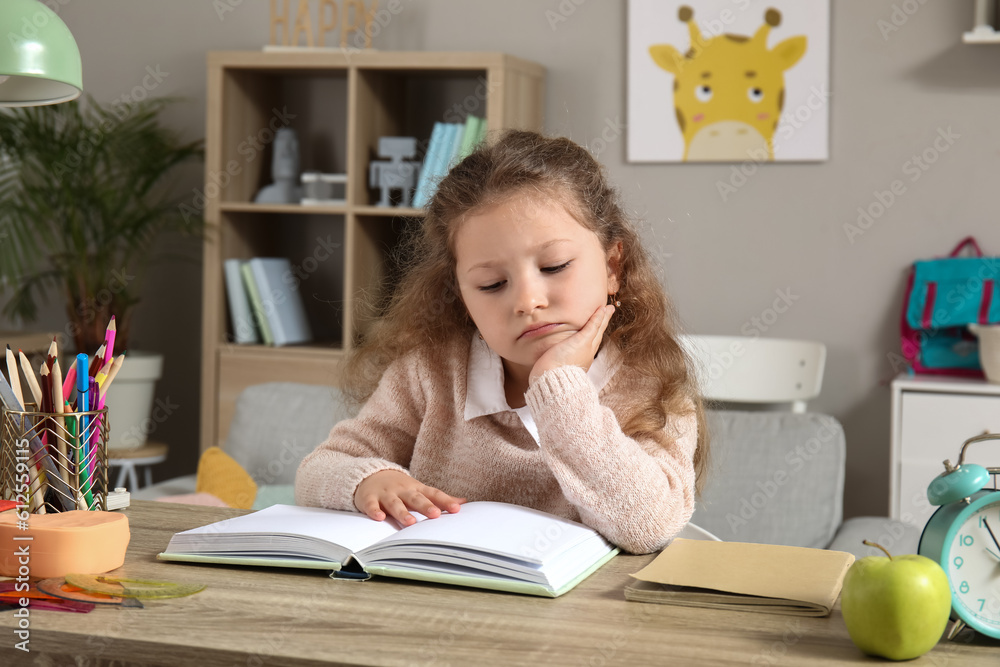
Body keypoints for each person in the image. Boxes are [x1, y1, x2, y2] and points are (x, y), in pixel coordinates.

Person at [295, 130, 708, 554]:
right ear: (461, 296)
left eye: (554, 266)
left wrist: (560, 389)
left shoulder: (651, 387)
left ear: (613, 265)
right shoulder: (429, 375)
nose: (528, 301)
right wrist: (367, 480)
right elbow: (318, 469)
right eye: (492, 284)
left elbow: (650, 526)